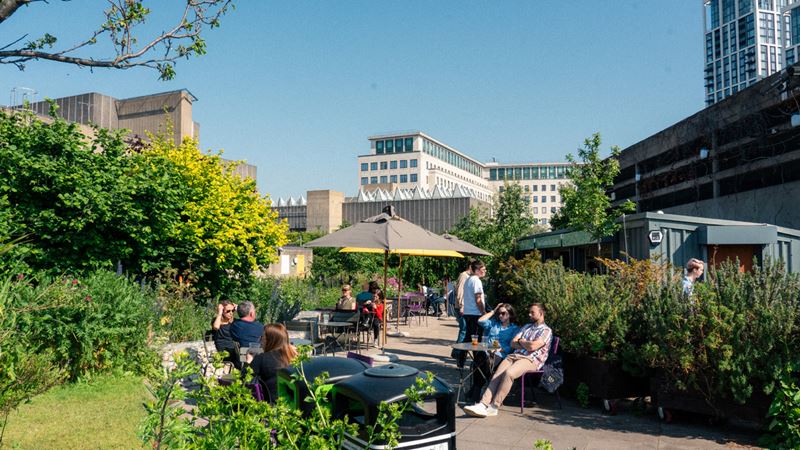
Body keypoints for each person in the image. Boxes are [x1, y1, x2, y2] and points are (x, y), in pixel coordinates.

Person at [464, 303, 552, 418]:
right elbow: (512, 343)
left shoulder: (546, 331)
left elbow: (533, 347)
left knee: (509, 373)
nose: (529, 314)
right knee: (497, 374)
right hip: (514, 356)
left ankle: (494, 406)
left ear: (541, 313)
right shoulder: (526, 327)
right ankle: (482, 404)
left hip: (530, 359)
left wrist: (521, 342)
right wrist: (524, 342)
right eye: (529, 312)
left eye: (532, 312)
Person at [467, 303, 519, 402]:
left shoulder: (515, 329)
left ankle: (475, 390)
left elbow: (513, 345)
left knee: (483, 362)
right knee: (480, 359)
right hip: (486, 351)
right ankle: (477, 390)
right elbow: (480, 321)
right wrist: (493, 311)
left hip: (501, 354)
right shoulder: (494, 323)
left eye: (503, 313)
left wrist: (501, 349)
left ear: (510, 314)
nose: (500, 315)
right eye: (499, 313)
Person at [244, 323, 297, 404]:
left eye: (262, 337)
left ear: (270, 340)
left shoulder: (262, 358)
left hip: (271, 407)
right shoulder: (295, 357)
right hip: (294, 404)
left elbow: (243, 380)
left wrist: (248, 361)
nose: (260, 340)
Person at [452, 262, 473, 367]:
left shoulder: (468, 276)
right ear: (470, 266)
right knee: (464, 330)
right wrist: (462, 305)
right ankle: (457, 352)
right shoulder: (463, 276)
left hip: (464, 307)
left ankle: (456, 351)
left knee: (464, 329)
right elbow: (460, 291)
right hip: (461, 307)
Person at [211, 300, 240, 369]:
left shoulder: (235, 322)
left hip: (235, 350)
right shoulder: (217, 321)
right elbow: (216, 327)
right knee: (248, 355)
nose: (231, 313)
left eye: (232, 311)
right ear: (222, 311)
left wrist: (239, 310)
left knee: (255, 351)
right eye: (228, 311)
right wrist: (220, 312)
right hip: (225, 352)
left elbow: (248, 325)